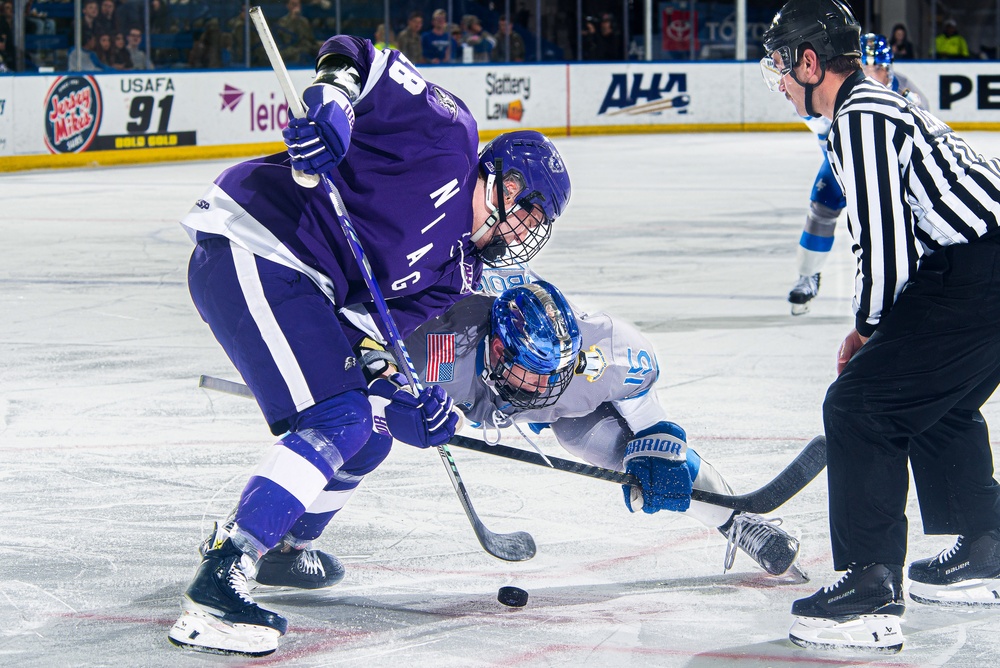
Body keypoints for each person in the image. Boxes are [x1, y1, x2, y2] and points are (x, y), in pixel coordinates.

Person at [167, 33, 572, 657]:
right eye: (531, 214)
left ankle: (285, 546)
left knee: (370, 427)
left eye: (539, 229)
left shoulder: (453, 275)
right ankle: (218, 583)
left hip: (302, 283)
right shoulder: (449, 135)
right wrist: (332, 106)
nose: (528, 234)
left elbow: (367, 343)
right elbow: (354, 53)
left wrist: (404, 400)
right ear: (506, 182)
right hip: (256, 238)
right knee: (339, 416)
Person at [761, 0, 1000, 652]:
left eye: (780, 66)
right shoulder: (875, 107)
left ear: (811, 63)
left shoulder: (860, 117)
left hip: (978, 272)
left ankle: (869, 589)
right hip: (980, 268)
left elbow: (886, 242)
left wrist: (868, 332)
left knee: (861, 406)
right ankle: (985, 545)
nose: (778, 81)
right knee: (935, 400)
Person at [403, 273, 805, 579]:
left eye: (556, 373)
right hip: (468, 367)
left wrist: (658, 449)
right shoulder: (434, 346)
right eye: (537, 374)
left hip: (554, 393)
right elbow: (362, 380)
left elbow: (650, 422)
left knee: (598, 443)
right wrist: (401, 414)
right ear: (496, 349)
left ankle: (736, 520)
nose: (547, 387)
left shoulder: (604, 354)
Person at [783, 31, 926, 316]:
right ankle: (808, 274)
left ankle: (914, 276)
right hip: (846, 159)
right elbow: (830, 139)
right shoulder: (834, 91)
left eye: (879, 69)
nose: (873, 76)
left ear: (889, 68)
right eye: (867, 68)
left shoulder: (911, 95)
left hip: (890, 164)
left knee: (904, 216)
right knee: (822, 207)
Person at [275, 0, 316, 66]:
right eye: (293, 4)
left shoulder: (304, 21)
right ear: (288, 6)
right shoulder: (283, 21)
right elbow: (286, 38)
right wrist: (293, 20)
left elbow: (310, 38)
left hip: (304, 47)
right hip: (287, 48)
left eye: (298, 4)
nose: (296, 7)